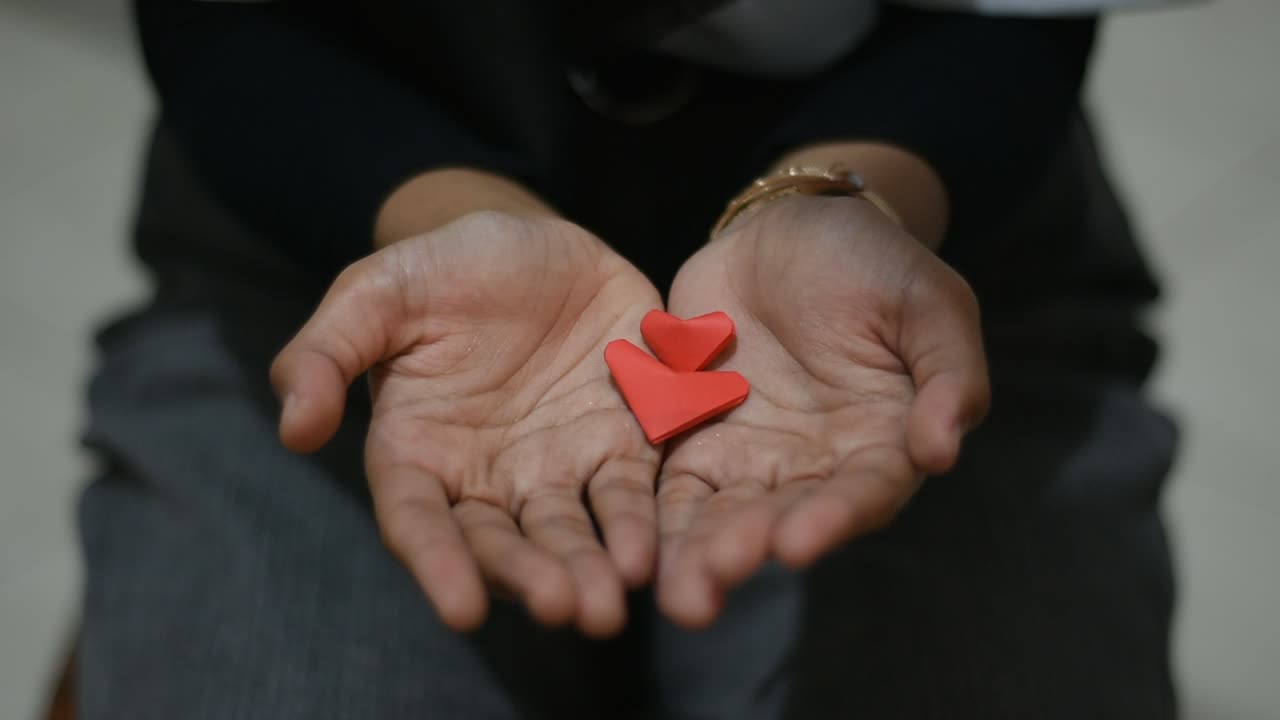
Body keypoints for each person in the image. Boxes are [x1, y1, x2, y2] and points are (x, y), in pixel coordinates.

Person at [76, 0, 1178, 717]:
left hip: (919, 214)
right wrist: (447, 215)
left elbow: (1015, 26)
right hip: (328, 195)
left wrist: (850, 200)